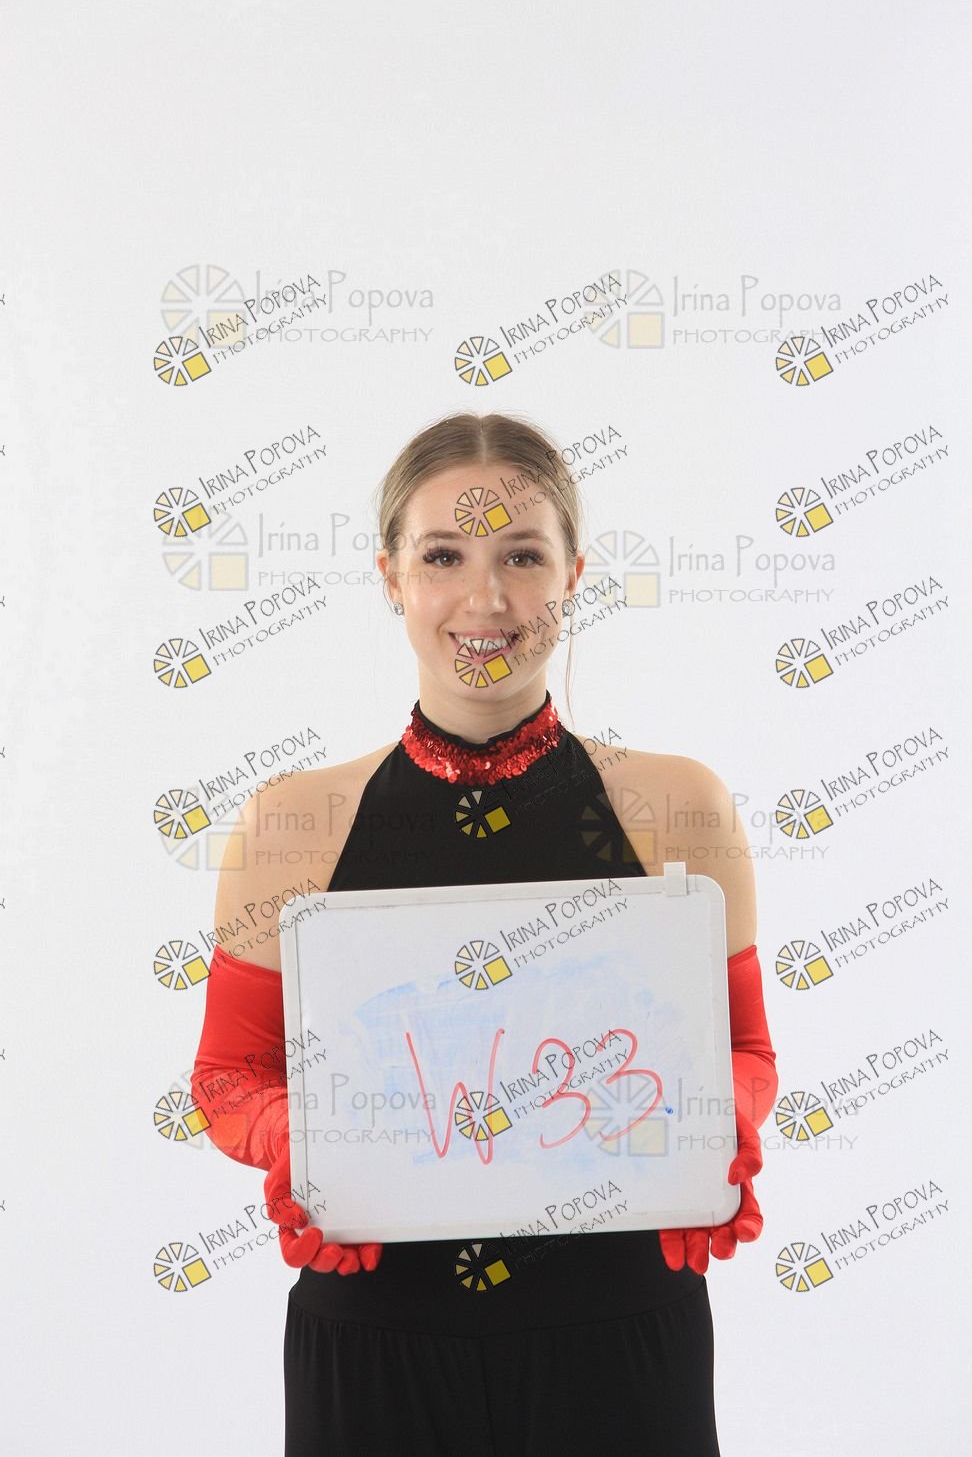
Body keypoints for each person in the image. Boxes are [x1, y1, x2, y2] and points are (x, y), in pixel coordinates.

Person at [191, 411, 779, 1455]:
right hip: (374, 1339)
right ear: (389, 576)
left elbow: (743, 1050)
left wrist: (714, 1133)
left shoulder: (678, 807)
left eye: (522, 555)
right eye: (443, 557)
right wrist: (300, 1148)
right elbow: (227, 1077)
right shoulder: (293, 823)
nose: (486, 598)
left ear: (573, 575)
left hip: (621, 1334)